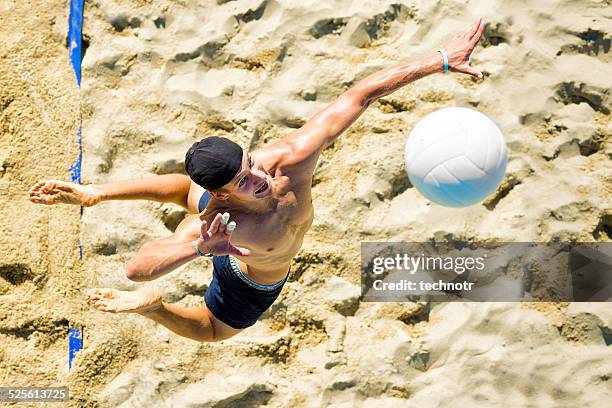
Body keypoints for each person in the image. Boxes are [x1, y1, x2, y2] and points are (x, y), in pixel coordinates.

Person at [28, 19, 485, 342]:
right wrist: (200, 250)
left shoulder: (289, 159)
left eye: (253, 165)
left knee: (179, 191)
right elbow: (135, 268)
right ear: (222, 195)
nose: (261, 178)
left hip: (240, 236)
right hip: (248, 271)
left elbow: (359, 94)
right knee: (212, 331)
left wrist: (440, 60)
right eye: (244, 181)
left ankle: (96, 197)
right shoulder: (223, 220)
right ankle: (156, 309)